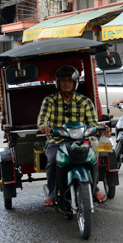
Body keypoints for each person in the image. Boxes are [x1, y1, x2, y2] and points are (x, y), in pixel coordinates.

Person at [37, 65, 108, 207]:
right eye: (63, 80)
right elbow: (43, 118)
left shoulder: (85, 101)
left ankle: (94, 188)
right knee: (51, 160)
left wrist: (102, 129)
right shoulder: (49, 101)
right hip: (57, 140)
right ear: (58, 82)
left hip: (82, 140)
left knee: (94, 158)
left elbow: (92, 123)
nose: (66, 83)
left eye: (70, 80)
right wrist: (44, 127)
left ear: (75, 83)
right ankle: (52, 193)